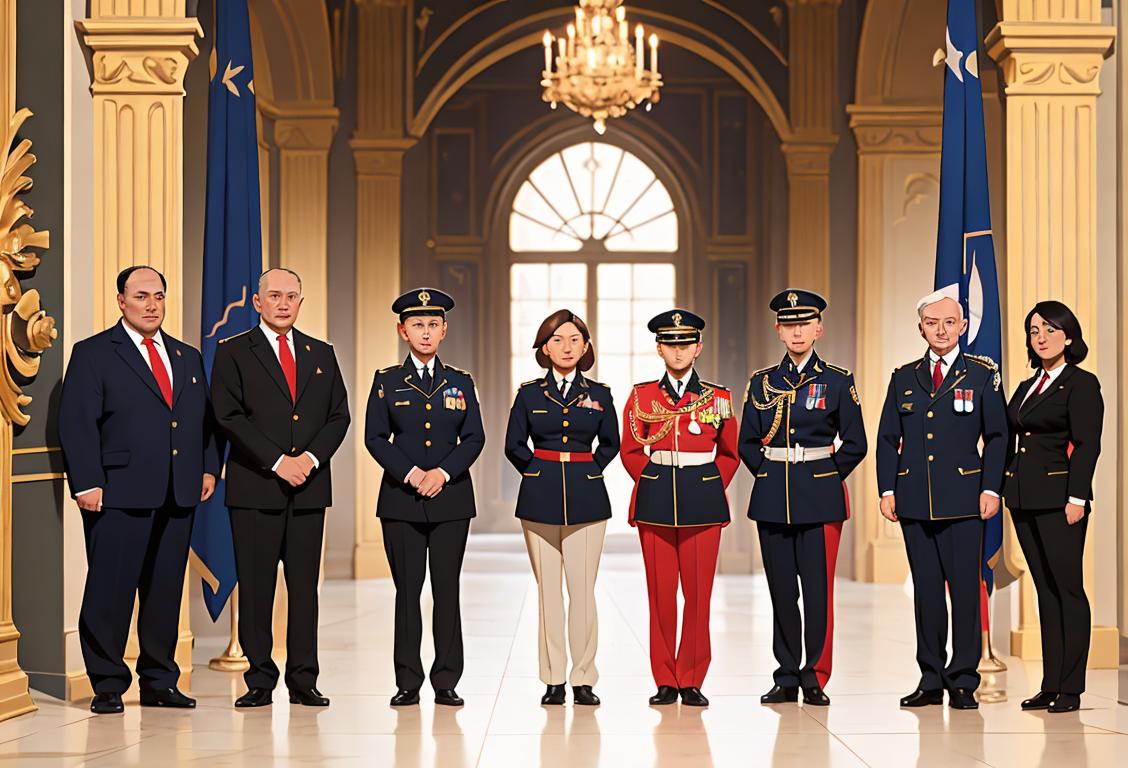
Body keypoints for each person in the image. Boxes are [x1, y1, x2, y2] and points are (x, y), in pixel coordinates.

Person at [59, 266, 221, 714]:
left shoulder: (186, 357)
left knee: (164, 592)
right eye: (142, 296)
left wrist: (209, 467)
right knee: (110, 592)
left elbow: (203, 420)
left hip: (179, 492)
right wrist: (87, 481)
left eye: (159, 296)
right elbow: (77, 423)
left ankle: (159, 681)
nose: (152, 305)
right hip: (117, 492)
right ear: (121, 301)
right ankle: (108, 684)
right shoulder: (93, 353)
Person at [211, 268, 351, 709]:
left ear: (300, 301)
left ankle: (304, 678)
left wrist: (307, 460)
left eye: (292, 295)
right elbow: (227, 415)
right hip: (255, 488)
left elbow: (338, 417)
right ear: (258, 302)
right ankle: (259, 679)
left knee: (304, 587)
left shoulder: (321, 353)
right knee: (256, 589)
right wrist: (277, 462)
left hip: (309, 489)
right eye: (274, 296)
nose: (283, 303)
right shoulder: (233, 352)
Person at [876, 285, 1008, 711]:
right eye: (932, 323)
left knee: (966, 593)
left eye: (950, 322)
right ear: (920, 328)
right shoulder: (904, 377)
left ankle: (964, 679)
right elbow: (886, 440)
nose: (942, 330)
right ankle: (931, 677)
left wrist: (991, 488)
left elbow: (999, 436)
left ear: (963, 326)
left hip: (967, 500)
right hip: (915, 500)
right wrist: (887, 489)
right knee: (927, 592)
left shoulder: (983, 374)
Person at [739, 288, 866, 707]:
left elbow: (855, 443)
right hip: (774, 496)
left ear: (819, 329)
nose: (797, 332)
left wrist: (826, 476)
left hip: (820, 498)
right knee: (780, 592)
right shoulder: (762, 382)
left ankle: (816, 675)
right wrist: (771, 474)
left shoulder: (837, 380)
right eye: (788, 324)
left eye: (804, 324)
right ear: (778, 329)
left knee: (817, 591)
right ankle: (786, 674)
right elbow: (748, 442)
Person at [365, 288, 485, 707]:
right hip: (402, 500)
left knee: (447, 590)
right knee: (407, 592)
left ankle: (447, 679)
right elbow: (375, 438)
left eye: (433, 324)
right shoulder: (387, 382)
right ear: (402, 330)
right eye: (417, 324)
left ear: (445, 330)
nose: (426, 331)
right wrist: (414, 474)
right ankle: (407, 680)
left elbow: (474, 438)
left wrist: (443, 473)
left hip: (451, 499)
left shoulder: (461, 382)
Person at [620, 309, 739, 707]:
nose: (678, 350)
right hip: (655, 499)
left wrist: (707, 484)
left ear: (698, 348)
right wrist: (654, 481)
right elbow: (632, 450)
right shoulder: (641, 396)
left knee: (699, 594)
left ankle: (692, 678)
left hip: (702, 501)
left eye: (685, 343)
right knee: (660, 595)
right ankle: (665, 679)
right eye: (670, 343)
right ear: (659, 348)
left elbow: (730, 453)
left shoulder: (718, 397)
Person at [504, 309, 619, 706]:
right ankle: (553, 679)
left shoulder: (600, 394)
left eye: (574, 339)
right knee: (548, 593)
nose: (566, 347)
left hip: (588, 499)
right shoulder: (529, 394)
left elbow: (610, 444)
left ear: (586, 347)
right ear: (544, 348)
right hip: (539, 498)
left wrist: (587, 471)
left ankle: (583, 677)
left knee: (582, 592)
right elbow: (514, 445)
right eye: (557, 340)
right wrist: (537, 472)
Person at [1005, 300, 1103, 714]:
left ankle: (1071, 687)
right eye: (1033, 330)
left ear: (1068, 334)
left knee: (1067, 590)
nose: (1041, 337)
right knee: (1044, 591)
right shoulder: (1028, 386)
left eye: (1049, 329)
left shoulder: (1081, 383)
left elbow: (1087, 445)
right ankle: (1050, 683)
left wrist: (1077, 498)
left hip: (1061, 501)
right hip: (1023, 498)